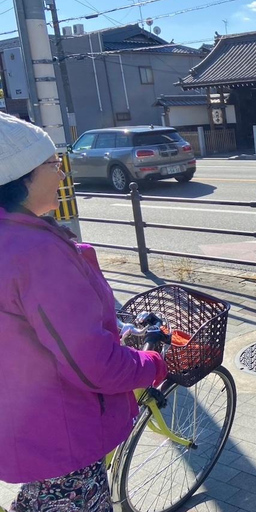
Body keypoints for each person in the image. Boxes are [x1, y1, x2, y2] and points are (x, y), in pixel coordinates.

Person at [0, 113, 168, 511]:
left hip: (22, 421)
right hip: (61, 433)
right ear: (20, 175)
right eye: (53, 164)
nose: (61, 175)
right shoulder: (35, 252)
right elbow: (92, 362)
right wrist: (152, 364)